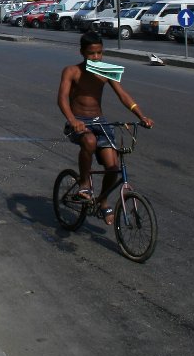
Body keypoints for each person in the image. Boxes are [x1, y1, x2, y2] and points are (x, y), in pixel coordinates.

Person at [57, 30, 153, 225]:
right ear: (82, 52)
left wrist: (141, 116)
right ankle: (84, 184)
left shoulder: (107, 71)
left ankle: (102, 200)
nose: (97, 57)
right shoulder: (72, 71)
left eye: (100, 53)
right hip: (78, 122)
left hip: (100, 122)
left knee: (113, 167)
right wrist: (72, 120)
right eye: (92, 53)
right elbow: (62, 99)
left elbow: (123, 95)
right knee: (89, 141)